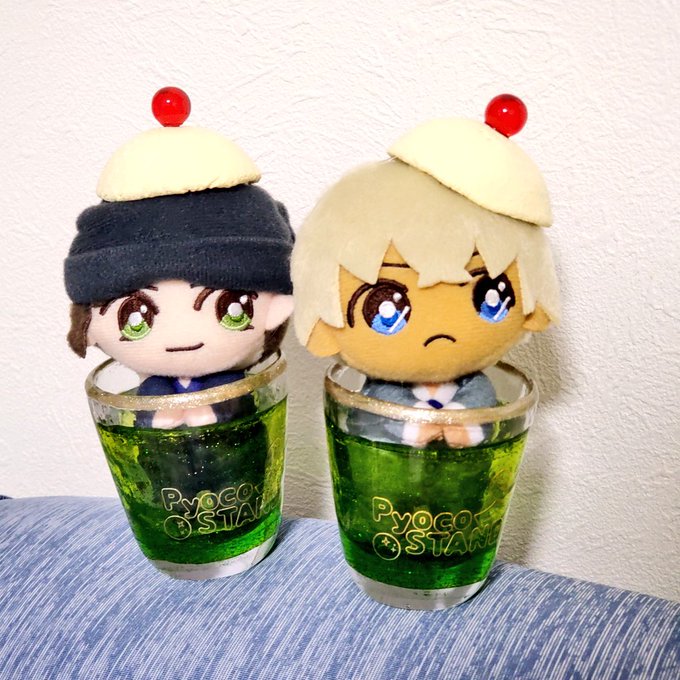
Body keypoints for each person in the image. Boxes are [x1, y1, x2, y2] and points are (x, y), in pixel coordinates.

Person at [292, 95, 559, 447]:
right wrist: (415, 427)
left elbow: (481, 402)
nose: (440, 331)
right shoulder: (376, 393)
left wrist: (464, 425)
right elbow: (372, 414)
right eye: (384, 308)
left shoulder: (474, 387)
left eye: (489, 298)